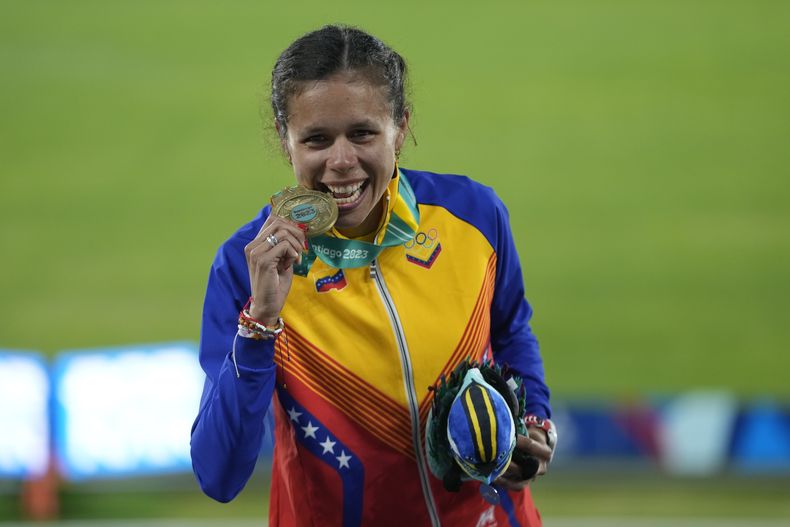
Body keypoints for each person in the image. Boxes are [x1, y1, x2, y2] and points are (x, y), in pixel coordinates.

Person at [190, 24, 556, 527]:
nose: (341, 162)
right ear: (285, 140)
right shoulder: (247, 266)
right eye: (316, 139)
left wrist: (532, 417)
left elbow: (510, 329)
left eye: (362, 133)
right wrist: (261, 321)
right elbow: (219, 475)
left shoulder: (473, 215)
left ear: (400, 127)